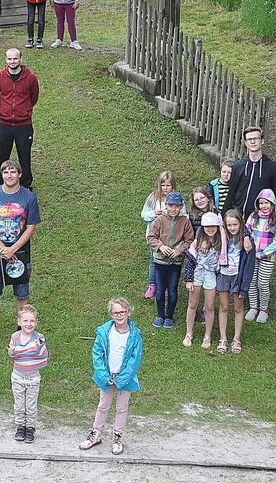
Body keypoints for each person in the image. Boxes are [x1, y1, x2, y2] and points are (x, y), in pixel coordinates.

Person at [0, 160, 41, 345]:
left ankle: (23, 331)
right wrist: (3, 248)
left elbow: (31, 228)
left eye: (13, 172)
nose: (9, 175)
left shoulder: (29, 198)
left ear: (19, 174)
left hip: (21, 253)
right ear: (2, 175)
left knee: (21, 293)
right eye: (5, 172)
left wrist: (13, 248)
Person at [79, 298, 143, 456]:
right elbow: (97, 355)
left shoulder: (135, 335)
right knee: (103, 406)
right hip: (107, 376)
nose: (119, 315)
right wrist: (103, 375)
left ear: (129, 312)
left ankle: (117, 437)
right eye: (116, 312)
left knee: (122, 408)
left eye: (122, 312)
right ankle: (96, 434)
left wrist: (122, 380)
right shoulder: (104, 332)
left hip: (125, 379)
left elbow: (135, 360)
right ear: (111, 314)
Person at [0, 48, 40, 188]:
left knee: (24, 156)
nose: (12, 61)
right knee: (1, 156)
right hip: (3, 124)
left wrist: (24, 110)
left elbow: (34, 97)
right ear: (5, 60)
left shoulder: (31, 78)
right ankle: (0, 184)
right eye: (9, 59)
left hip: (23, 125)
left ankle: (25, 186)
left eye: (15, 58)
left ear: (21, 59)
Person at [146, 190, 192, 328]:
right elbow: (151, 237)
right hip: (160, 261)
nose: (173, 209)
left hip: (175, 263)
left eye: (177, 206)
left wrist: (179, 250)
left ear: (181, 206)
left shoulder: (185, 222)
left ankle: (169, 316)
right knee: (160, 290)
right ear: (166, 205)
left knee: (172, 289)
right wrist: (160, 246)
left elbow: (190, 240)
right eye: (171, 205)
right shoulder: (159, 220)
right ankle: (160, 315)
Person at [244, 188, 276, 324]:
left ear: (273, 204)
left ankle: (263, 309)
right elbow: (246, 232)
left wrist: (262, 254)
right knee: (251, 282)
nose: (264, 206)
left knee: (262, 283)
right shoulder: (252, 217)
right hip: (251, 256)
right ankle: (253, 307)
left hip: (267, 257)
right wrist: (249, 248)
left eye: (267, 203)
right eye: (261, 203)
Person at [221, 125, 276, 217]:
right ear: (246, 143)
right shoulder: (238, 166)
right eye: (249, 139)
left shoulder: (273, 167)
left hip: (260, 218)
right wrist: (224, 215)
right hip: (238, 217)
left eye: (256, 138)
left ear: (262, 141)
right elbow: (231, 193)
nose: (253, 142)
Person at [183, 212, 223, 350]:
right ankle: (189, 333)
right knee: (192, 303)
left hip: (211, 275)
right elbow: (190, 261)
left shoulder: (221, 241)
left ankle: (207, 336)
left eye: (213, 226)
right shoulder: (197, 241)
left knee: (210, 306)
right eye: (207, 226)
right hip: (197, 274)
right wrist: (188, 279)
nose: (210, 229)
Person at [8, 305, 48, 443]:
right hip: (18, 376)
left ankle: (30, 427)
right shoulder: (15, 337)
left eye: (32, 321)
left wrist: (20, 352)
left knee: (31, 404)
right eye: (25, 321)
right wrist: (14, 353)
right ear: (19, 322)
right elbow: (14, 354)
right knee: (19, 404)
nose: (29, 324)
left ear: (36, 323)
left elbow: (39, 353)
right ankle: (20, 426)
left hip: (33, 377)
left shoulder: (40, 338)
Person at [219, 209, 253, 354]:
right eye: (229, 225)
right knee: (224, 307)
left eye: (235, 224)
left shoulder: (247, 241)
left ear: (241, 224)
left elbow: (250, 266)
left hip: (238, 278)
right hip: (223, 275)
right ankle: (223, 338)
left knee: (238, 308)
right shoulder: (221, 237)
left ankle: (236, 339)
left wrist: (244, 287)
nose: (232, 228)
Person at [141, 171, 177, 300]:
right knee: (153, 260)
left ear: (173, 186)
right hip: (155, 236)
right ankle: (152, 285)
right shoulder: (153, 198)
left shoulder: (177, 199)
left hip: (171, 236)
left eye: (168, 185)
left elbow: (184, 216)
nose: (165, 188)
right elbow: (144, 215)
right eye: (163, 185)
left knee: (168, 262)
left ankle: (166, 286)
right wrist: (154, 213)